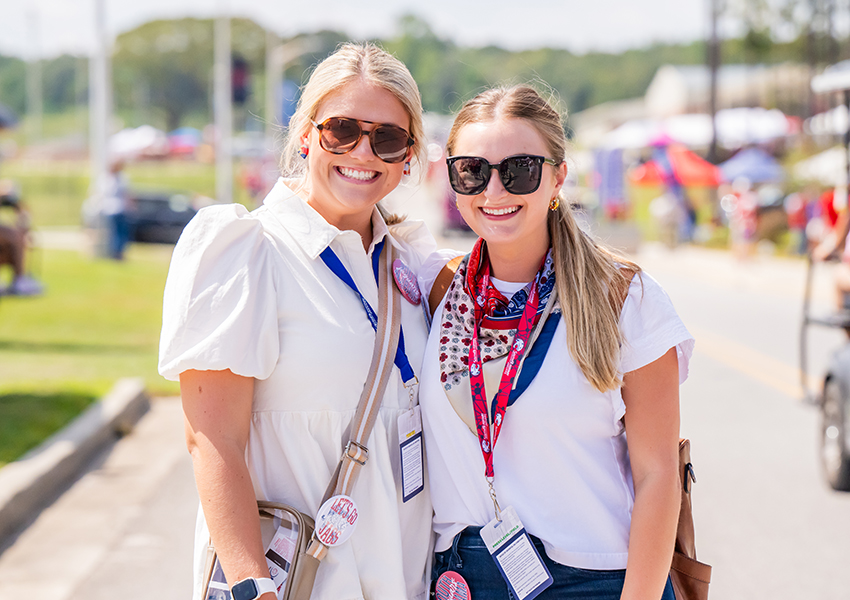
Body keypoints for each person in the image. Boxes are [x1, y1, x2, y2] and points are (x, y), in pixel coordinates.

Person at [159, 43, 439, 600]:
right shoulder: (248, 249)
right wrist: (248, 584)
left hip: (404, 573)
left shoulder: (409, 260)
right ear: (306, 133)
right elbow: (212, 438)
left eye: (387, 137)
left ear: (408, 155)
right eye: (342, 130)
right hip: (297, 580)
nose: (364, 151)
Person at [418, 85, 694, 600]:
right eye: (472, 170)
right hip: (462, 579)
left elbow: (658, 476)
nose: (494, 191)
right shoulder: (438, 290)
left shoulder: (624, 298)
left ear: (558, 177)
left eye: (520, 169)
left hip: (593, 582)